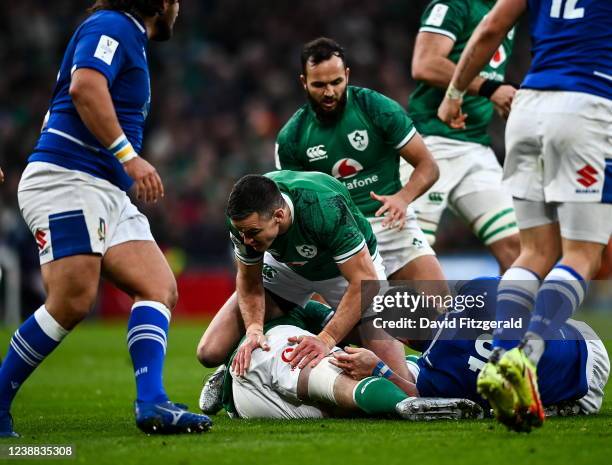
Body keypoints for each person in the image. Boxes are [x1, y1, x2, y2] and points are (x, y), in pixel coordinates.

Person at [0, 0, 211, 437]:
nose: (179, 7)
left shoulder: (128, 34)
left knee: (157, 286)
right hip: (68, 179)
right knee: (72, 300)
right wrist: (129, 157)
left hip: (103, 188)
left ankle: (151, 402)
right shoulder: (113, 24)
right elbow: (85, 87)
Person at [437, 0, 612, 431]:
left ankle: (501, 357)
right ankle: (526, 357)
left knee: (534, 252)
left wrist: (455, 94)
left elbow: (490, 27)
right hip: (586, 105)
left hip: (527, 105)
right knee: (582, 254)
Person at [221, 279, 609, 427]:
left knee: (464, 394)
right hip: (583, 339)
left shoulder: (438, 369)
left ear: (401, 338)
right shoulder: (477, 292)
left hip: (580, 389)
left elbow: (417, 399)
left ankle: (239, 384)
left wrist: (380, 369)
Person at [196, 171, 410, 412]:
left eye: (252, 233)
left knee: (399, 382)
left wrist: (325, 340)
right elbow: (249, 281)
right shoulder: (244, 222)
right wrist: (254, 329)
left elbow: (364, 281)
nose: (246, 240)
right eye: (242, 233)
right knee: (210, 351)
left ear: (279, 215)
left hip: (350, 273)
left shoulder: (323, 206)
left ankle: (317, 317)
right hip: (286, 269)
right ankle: (227, 369)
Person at [275, 37, 447, 287]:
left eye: (336, 82)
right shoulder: (292, 137)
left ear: (347, 74)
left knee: (442, 304)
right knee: (369, 323)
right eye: (319, 85)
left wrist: (403, 198)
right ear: (304, 82)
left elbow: (428, 166)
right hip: (340, 238)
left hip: (391, 225)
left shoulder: (377, 109)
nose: (329, 92)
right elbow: (297, 208)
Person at [405, 0, 520, 271]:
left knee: (517, 248)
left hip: (475, 146)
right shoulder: (454, 4)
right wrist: (490, 89)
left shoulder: (508, 8)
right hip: (430, 143)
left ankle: (515, 315)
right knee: (410, 253)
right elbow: (425, 64)